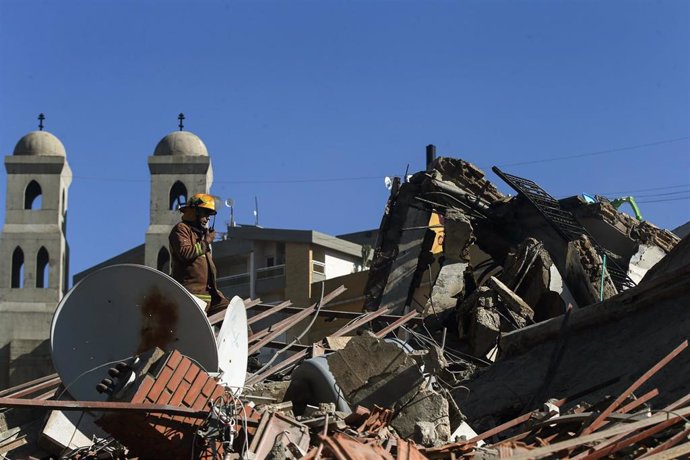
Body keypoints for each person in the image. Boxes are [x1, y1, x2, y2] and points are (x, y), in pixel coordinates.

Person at [169, 193, 229, 315]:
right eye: (205, 214)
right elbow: (185, 253)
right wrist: (206, 242)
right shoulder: (181, 229)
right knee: (196, 330)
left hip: (210, 295)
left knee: (234, 318)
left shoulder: (200, 235)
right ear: (194, 212)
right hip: (191, 295)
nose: (208, 218)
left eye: (209, 216)